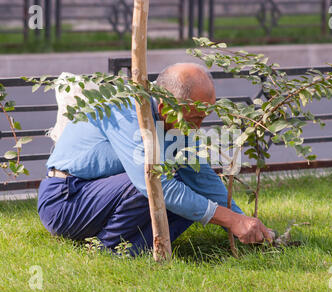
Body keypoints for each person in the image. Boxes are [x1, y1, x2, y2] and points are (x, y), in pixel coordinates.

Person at [37, 63, 272, 256]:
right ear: (165, 107)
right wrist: (230, 219)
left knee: (187, 190)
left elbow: (203, 180)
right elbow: (152, 182)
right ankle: (106, 248)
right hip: (66, 200)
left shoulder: (177, 124)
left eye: (204, 117)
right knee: (156, 180)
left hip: (101, 196)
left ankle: (131, 249)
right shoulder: (127, 108)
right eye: (195, 118)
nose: (199, 126)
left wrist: (244, 223)